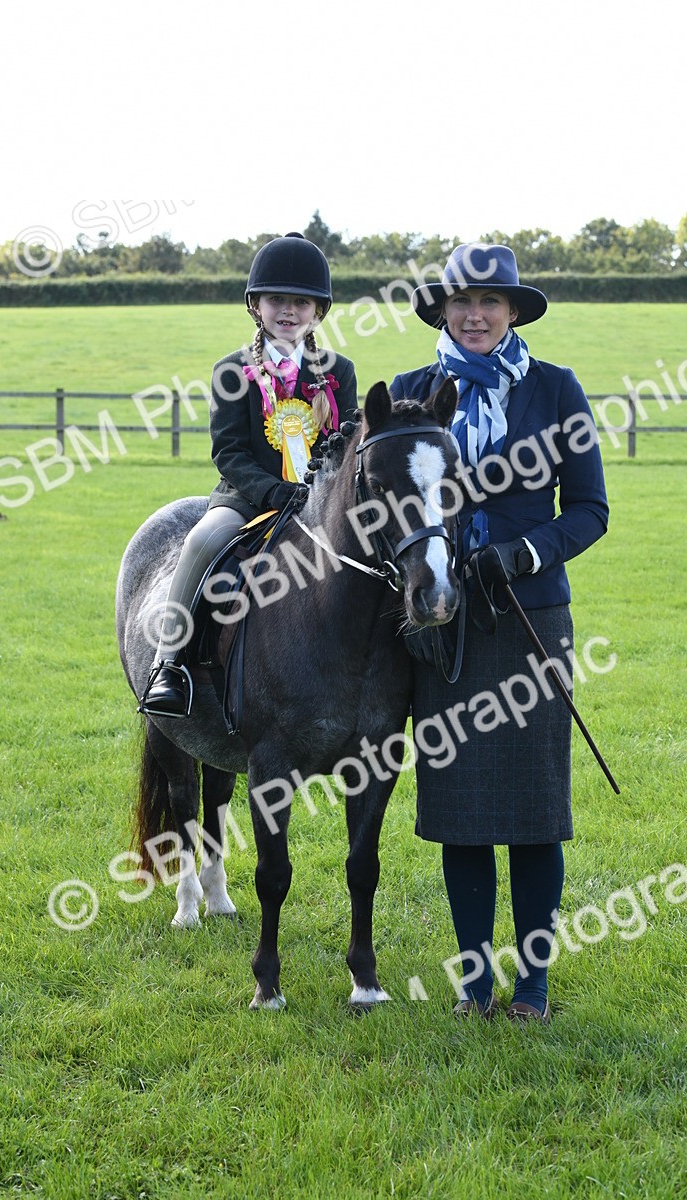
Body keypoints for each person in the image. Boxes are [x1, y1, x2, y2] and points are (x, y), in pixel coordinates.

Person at [390, 243, 609, 1023]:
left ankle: (536, 987)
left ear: (513, 311)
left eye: (491, 302)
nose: (476, 314)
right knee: (461, 811)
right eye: (461, 302)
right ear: (442, 311)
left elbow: (589, 509)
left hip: (531, 618)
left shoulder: (556, 390)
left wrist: (522, 552)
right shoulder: (412, 393)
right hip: (443, 621)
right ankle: (474, 985)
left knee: (533, 809)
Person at [139, 232, 358, 717]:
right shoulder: (232, 370)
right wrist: (275, 491)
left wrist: (320, 493)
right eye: (277, 300)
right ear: (255, 305)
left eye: (301, 302)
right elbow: (230, 452)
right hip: (245, 499)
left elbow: (345, 445)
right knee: (201, 540)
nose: (288, 311)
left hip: (320, 502)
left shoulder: (339, 371)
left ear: (318, 311)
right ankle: (169, 664)